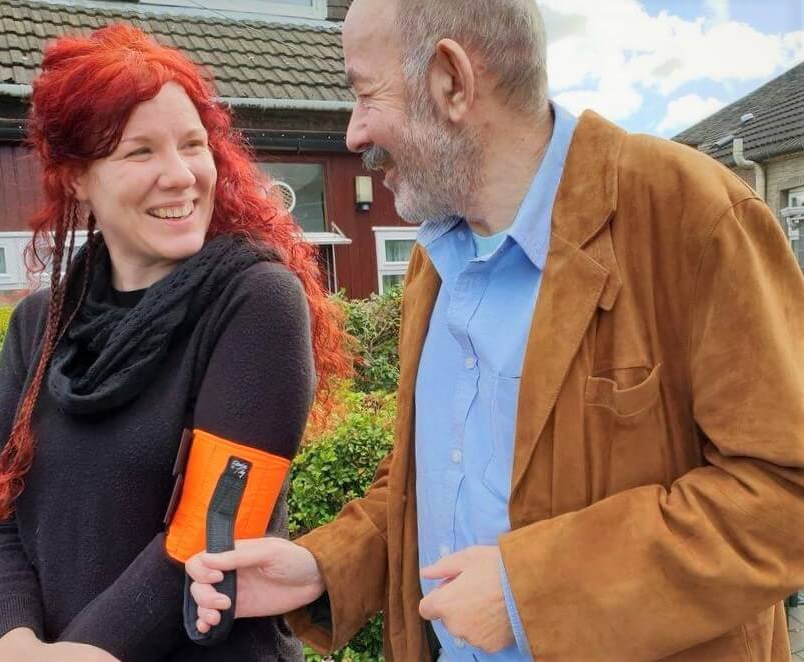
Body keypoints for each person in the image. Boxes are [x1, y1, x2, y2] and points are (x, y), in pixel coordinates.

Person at [186, 0, 804, 659]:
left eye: (365, 94)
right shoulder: (433, 259)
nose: (354, 132)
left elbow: (784, 492)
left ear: (451, 81)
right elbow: (432, 482)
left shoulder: (692, 215)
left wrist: (529, 591)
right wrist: (324, 565)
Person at [0, 24, 350, 662]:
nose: (180, 175)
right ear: (76, 177)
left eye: (193, 145)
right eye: (139, 152)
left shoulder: (255, 302)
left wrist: (80, 654)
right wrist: (12, 645)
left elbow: (209, 528)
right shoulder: (38, 325)